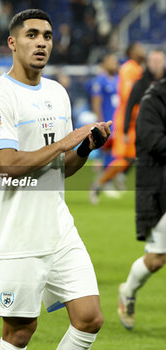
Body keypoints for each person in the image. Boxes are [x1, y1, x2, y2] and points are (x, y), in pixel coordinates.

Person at [0, 9, 112, 350]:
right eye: (32, 35)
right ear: (12, 42)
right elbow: (7, 166)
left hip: (57, 225)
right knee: (20, 331)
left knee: (89, 318)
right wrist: (64, 143)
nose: (41, 43)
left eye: (47, 36)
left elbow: (62, 167)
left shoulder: (57, 93)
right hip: (15, 233)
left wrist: (84, 148)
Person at [118, 78, 166, 330]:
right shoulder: (153, 100)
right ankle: (128, 292)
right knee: (157, 259)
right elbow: (153, 142)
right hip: (160, 189)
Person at [91, 43, 146, 192]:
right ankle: (103, 182)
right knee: (120, 155)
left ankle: (110, 179)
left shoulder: (135, 70)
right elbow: (129, 96)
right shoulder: (128, 70)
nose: (143, 50)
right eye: (139, 48)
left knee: (131, 155)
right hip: (123, 121)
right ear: (132, 52)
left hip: (131, 120)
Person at [85, 53, 119, 203]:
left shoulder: (118, 80)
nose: (115, 64)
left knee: (113, 156)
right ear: (105, 63)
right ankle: (102, 184)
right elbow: (96, 102)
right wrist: (100, 123)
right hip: (107, 124)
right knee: (109, 156)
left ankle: (105, 182)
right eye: (112, 61)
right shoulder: (100, 81)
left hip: (118, 124)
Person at [124, 49, 166, 137]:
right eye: (153, 61)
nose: (156, 64)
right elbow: (130, 105)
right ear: (148, 63)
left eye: (159, 61)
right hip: (146, 130)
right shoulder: (140, 83)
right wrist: (126, 130)